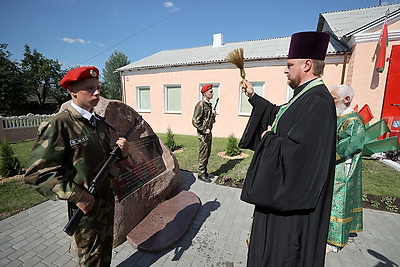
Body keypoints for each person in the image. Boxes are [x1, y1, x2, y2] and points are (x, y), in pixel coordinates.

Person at [239, 31, 337, 266]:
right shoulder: (305, 96)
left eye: (289, 64)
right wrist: (254, 97)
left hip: (292, 216)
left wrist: (267, 139)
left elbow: (299, 155)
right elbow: (279, 115)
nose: (285, 69)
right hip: (285, 204)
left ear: (307, 64)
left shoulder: (318, 102)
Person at [24, 66, 129, 266]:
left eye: (98, 87)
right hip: (85, 206)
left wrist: (122, 154)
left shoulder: (99, 122)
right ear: (72, 91)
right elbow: (37, 174)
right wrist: (78, 196)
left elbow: (103, 160)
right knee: (91, 257)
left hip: (106, 200)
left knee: (106, 251)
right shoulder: (60, 124)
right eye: (90, 88)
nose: (97, 92)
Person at [326, 85, 365, 253]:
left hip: (344, 167)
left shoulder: (354, 120)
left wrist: (325, 153)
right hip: (335, 165)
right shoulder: (338, 116)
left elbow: (349, 145)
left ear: (346, 100)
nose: (330, 101)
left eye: (333, 98)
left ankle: (335, 241)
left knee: (339, 202)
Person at [192, 84, 216, 183]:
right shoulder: (200, 105)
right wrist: (203, 129)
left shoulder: (208, 105)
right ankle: (201, 174)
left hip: (208, 133)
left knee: (207, 153)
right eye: (210, 92)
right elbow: (195, 121)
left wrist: (213, 115)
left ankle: (205, 172)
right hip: (203, 135)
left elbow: (210, 120)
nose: (212, 93)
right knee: (203, 154)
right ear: (205, 93)